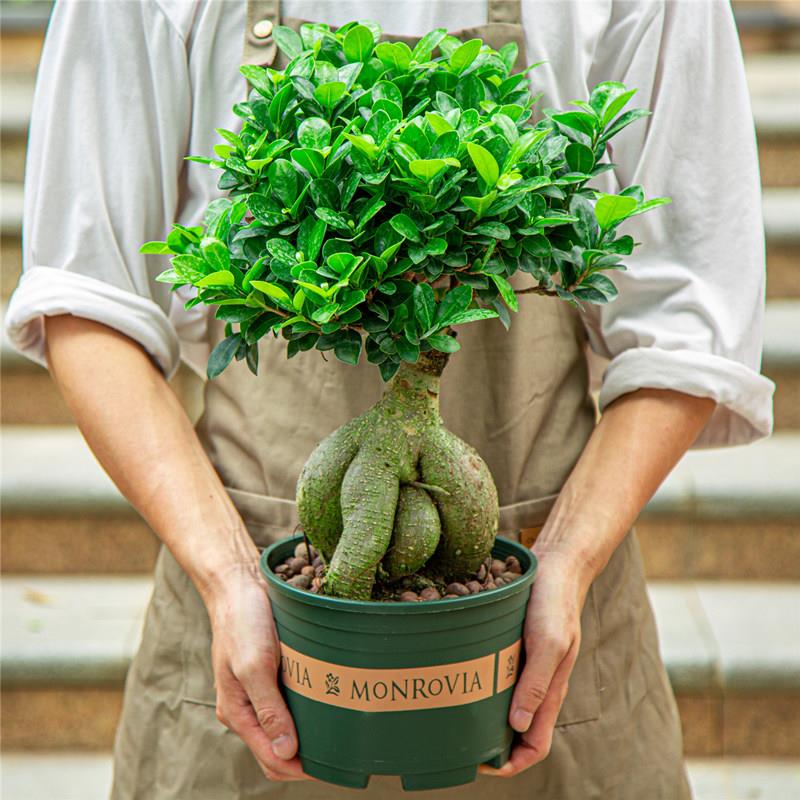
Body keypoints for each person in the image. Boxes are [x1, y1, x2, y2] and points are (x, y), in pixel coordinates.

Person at [5, 1, 774, 798]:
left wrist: (568, 560)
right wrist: (229, 575)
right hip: (253, 614)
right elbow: (85, 296)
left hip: (541, 611)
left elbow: (689, 321)